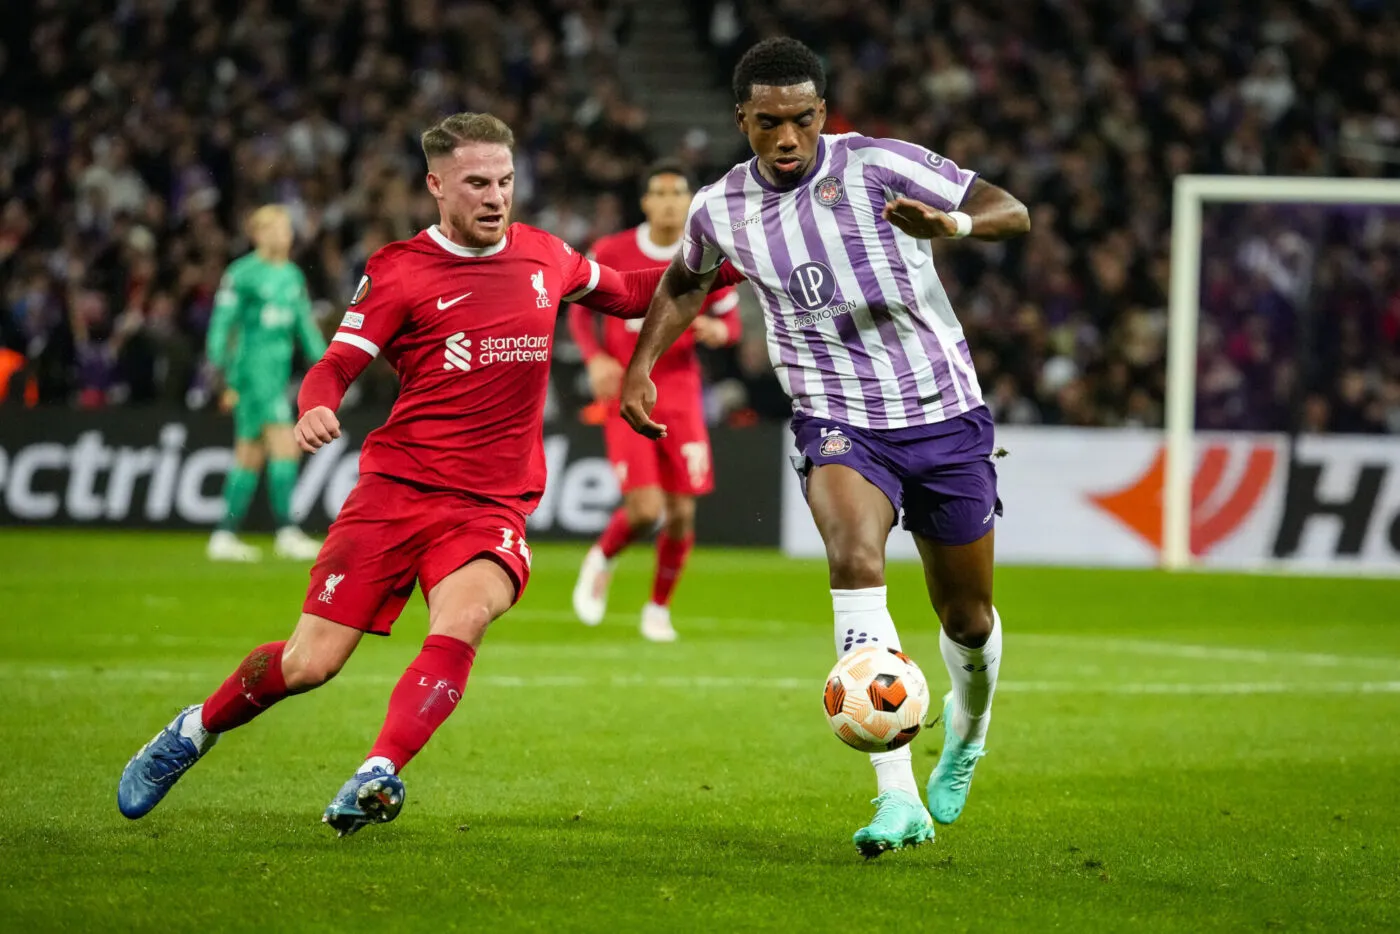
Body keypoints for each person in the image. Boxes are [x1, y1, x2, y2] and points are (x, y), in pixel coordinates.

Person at [117, 112, 742, 836]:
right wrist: (316, 406)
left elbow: (635, 293)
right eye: (477, 182)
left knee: (466, 615)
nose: (495, 197)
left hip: (490, 503)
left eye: (506, 181)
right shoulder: (399, 270)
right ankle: (195, 729)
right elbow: (334, 365)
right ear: (436, 185)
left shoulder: (545, 256)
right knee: (310, 663)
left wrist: (735, 260)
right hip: (395, 492)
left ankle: (377, 770)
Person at [618, 38, 1030, 858]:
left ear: (820, 114)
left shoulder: (877, 164)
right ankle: (896, 798)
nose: (786, 138)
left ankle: (970, 731)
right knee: (854, 560)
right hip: (836, 418)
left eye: (802, 119)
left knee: (968, 618)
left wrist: (948, 222)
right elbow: (685, 280)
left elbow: (1009, 210)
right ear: (742, 120)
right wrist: (640, 367)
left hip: (944, 415)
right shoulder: (719, 208)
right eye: (767, 122)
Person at [568, 159, 742, 642]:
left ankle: (658, 609)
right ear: (646, 202)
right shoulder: (613, 250)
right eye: (659, 194)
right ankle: (602, 557)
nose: (668, 202)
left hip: (682, 394)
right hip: (629, 392)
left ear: (689, 202)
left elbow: (732, 324)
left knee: (682, 514)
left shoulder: (706, 254)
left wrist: (716, 330)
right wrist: (595, 359)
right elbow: (580, 311)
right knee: (646, 510)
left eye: (677, 194)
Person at [204, 205, 327, 562]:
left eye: (287, 227)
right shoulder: (242, 274)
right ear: (259, 234)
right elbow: (221, 326)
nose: (285, 234)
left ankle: (224, 535)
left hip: (276, 376)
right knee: (284, 447)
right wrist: (222, 372)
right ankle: (287, 531)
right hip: (251, 376)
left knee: (249, 456)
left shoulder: (291, 276)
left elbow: (305, 327)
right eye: (277, 227)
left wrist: (329, 366)